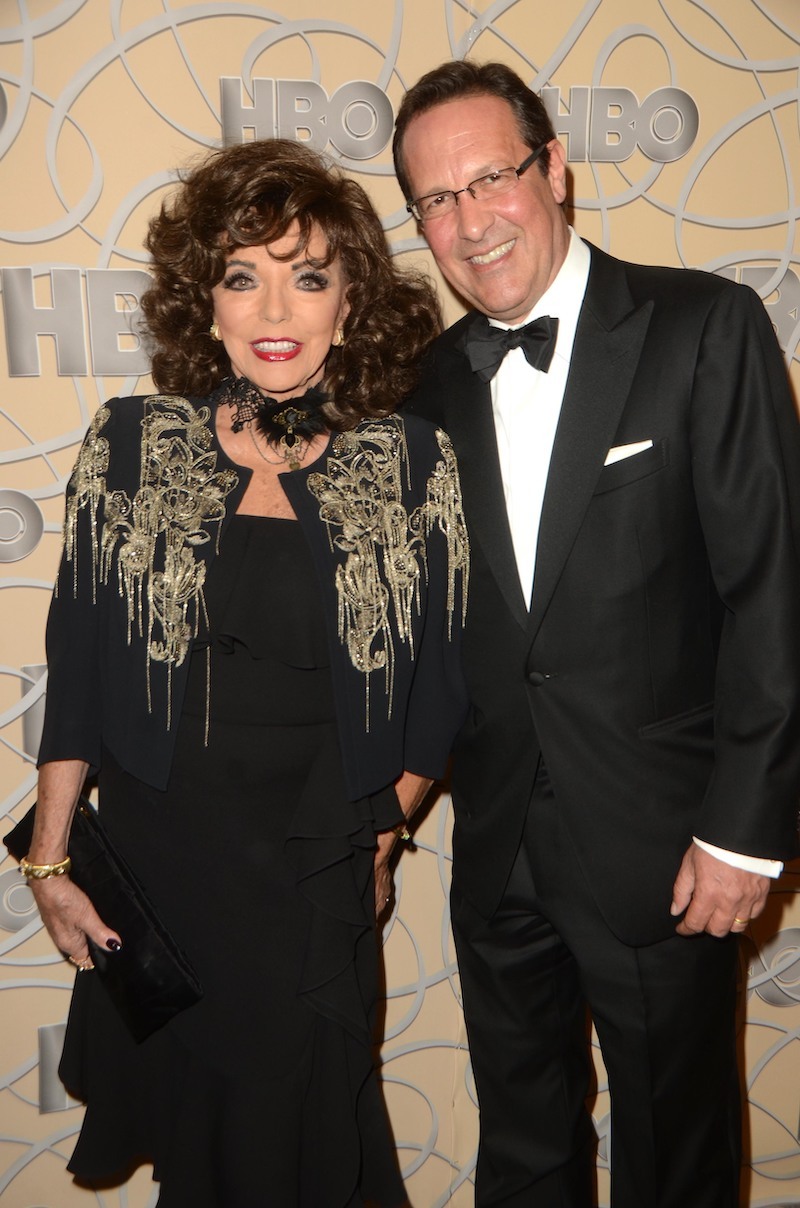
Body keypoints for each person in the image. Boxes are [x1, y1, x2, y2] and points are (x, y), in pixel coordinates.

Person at [23, 137, 469, 1207]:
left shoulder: (409, 464)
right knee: (206, 1151)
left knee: (301, 1142)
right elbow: (79, 660)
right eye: (242, 273)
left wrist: (384, 827)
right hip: (165, 860)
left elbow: (444, 685)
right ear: (205, 303)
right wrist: (48, 862)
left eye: (307, 275)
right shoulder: (129, 445)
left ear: (348, 302)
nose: (275, 307)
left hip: (313, 869)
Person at [393, 59, 800, 1208]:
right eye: (435, 200)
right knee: (522, 1155)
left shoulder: (699, 325)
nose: (468, 222)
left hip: (666, 848)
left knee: (674, 1158)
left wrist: (741, 829)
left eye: (491, 178)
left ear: (554, 169)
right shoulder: (423, 387)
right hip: (498, 846)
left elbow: (772, 590)